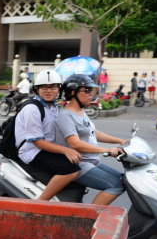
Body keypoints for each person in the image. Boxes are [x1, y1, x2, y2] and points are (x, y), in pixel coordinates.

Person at [55, 74, 126, 205]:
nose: (90, 94)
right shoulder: (65, 115)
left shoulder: (80, 112)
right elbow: (74, 143)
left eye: (90, 90)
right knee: (116, 185)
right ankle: (89, 217)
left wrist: (120, 141)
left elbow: (94, 133)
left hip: (92, 161)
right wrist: (105, 150)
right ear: (72, 92)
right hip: (79, 164)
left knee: (124, 179)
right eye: (86, 90)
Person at [15, 69, 81, 201]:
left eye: (53, 87)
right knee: (71, 169)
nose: (49, 91)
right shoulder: (32, 109)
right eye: (44, 87)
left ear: (59, 89)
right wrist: (66, 150)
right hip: (32, 151)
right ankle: (41, 203)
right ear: (37, 89)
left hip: (46, 147)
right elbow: (37, 142)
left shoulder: (53, 107)